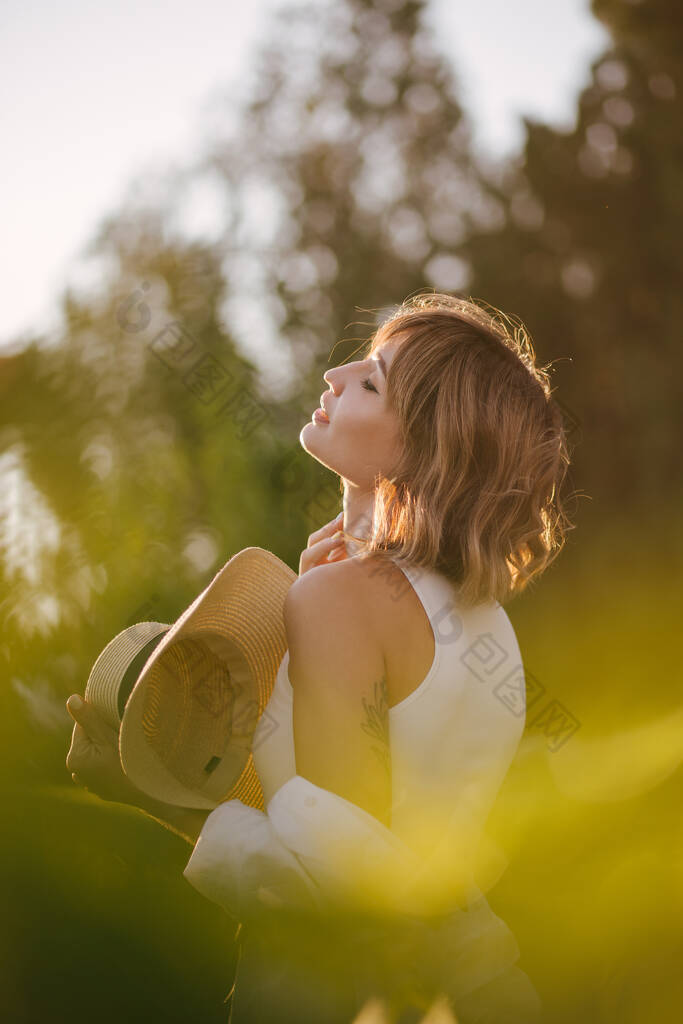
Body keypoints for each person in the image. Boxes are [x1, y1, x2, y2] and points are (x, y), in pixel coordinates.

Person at [67, 292, 573, 1022]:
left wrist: (155, 796)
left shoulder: (342, 598)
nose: (335, 374)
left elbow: (342, 887)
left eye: (372, 381)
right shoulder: (485, 623)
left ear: (428, 448)